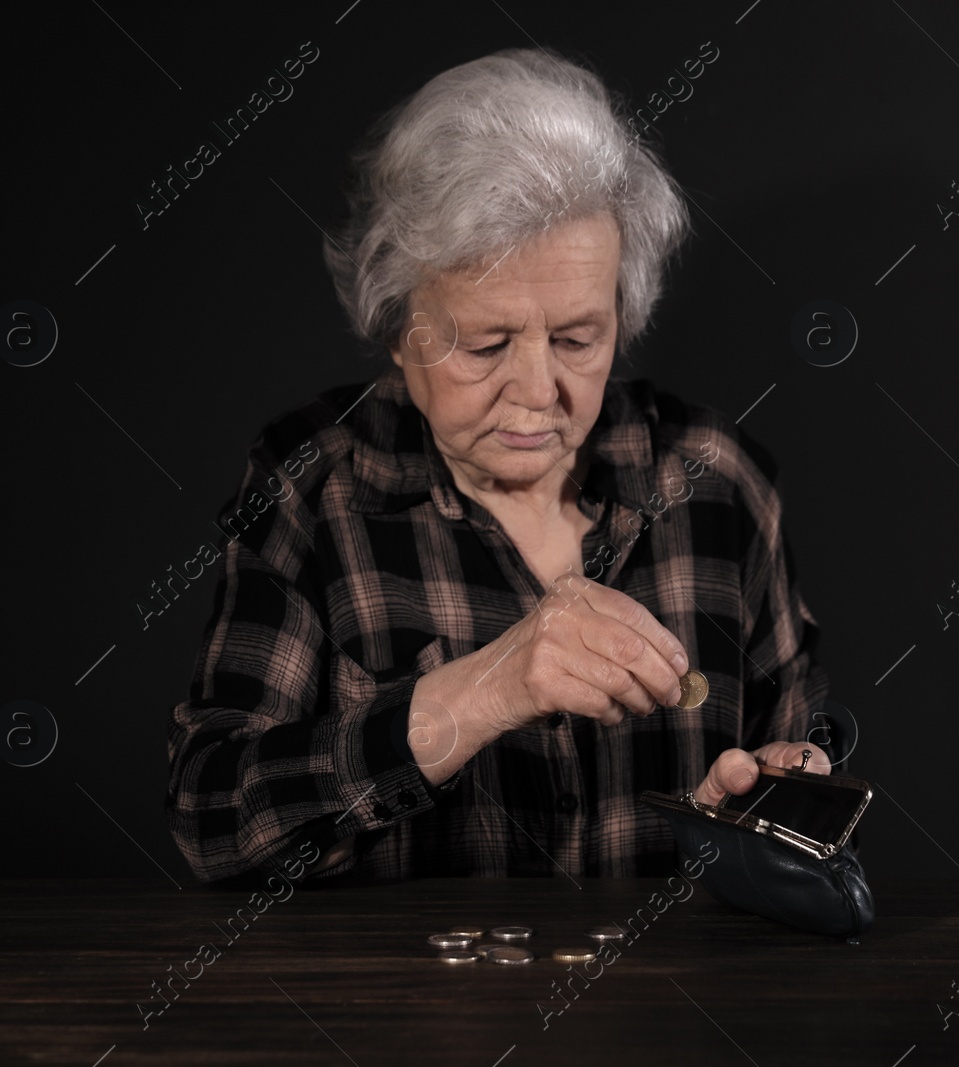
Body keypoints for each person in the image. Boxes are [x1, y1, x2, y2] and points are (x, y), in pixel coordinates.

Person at [165, 47, 832, 885]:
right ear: (398, 325)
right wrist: (482, 691)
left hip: (670, 1012)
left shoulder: (718, 480)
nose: (537, 391)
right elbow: (211, 822)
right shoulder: (312, 485)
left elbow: (811, 757)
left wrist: (761, 817)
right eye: (486, 344)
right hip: (408, 1015)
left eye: (577, 339)